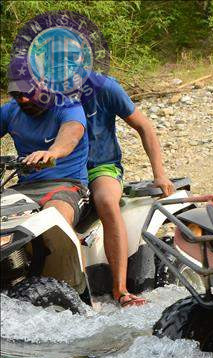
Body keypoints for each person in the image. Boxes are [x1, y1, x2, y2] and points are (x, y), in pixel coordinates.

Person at [81, 73, 175, 307]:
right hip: (62, 170)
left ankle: (120, 288)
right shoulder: (43, 93)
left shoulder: (105, 87)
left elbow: (143, 126)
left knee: (105, 201)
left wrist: (159, 174)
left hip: (101, 167)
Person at [1, 81, 89, 228]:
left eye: (29, 92)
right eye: (17, 95)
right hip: (23, 188)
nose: (24, 99)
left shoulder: (68, 105)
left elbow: (71, 133)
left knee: (53, 225)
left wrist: (52, 152)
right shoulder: (10, 111)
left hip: (67, 186)